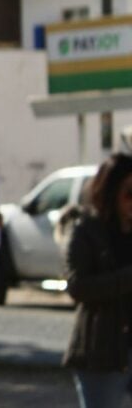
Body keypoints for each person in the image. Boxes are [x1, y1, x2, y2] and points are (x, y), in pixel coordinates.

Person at [63, 153, 132, 408]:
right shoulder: (86, 230)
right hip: (101, 352)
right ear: (110, 192)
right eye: (128, 193)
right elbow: (77, 286)